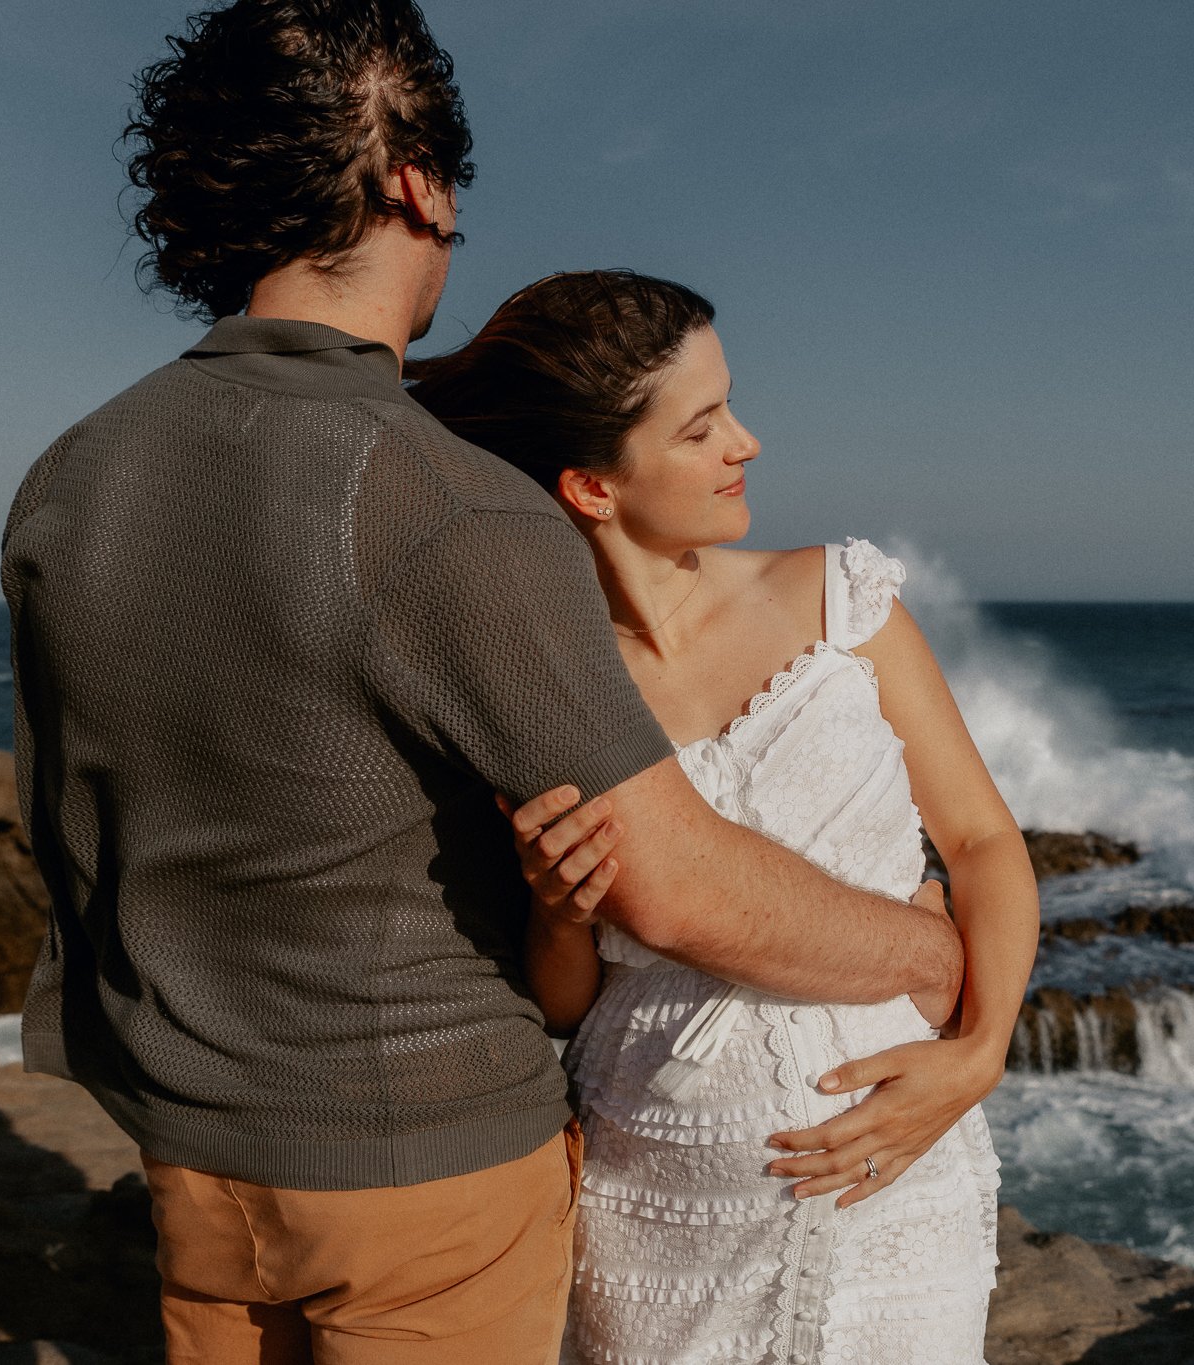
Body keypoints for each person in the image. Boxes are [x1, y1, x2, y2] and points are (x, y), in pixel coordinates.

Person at [0, 5, 963, 1364]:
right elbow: (668, 878)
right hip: (429, 1178)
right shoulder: (444, 500)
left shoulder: (71, 479)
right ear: (415, 183)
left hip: (196, 1170)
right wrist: (930, 949)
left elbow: (72, 839)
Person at [407, 271, 1041, 1364]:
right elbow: (565, 1001)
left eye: (730, 406)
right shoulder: (545, 690)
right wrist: (558, 919)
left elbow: (982, 843)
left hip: (897, 1172)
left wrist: (980, 1050)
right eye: (701, 429)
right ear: (594, 487)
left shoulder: (839, 601)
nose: (746, 444)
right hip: (656, 1200)